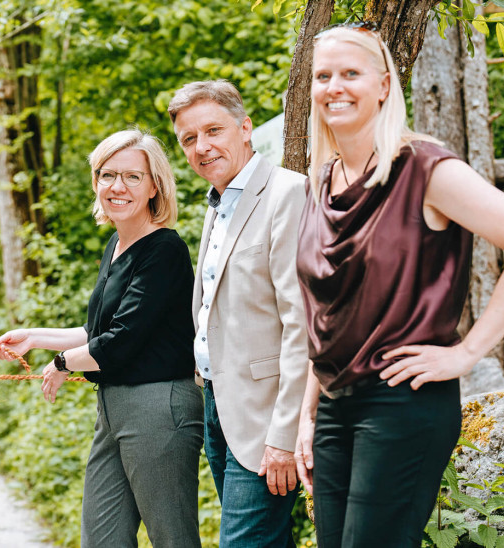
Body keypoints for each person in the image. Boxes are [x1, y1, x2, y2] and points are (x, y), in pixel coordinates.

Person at [293, 23, 504, 547]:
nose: (335, 86)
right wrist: (306, 414)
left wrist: (467, 353)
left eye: (351, 73)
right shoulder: (321, 180)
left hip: (402, 403)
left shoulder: (424, 167)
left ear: (385, 84)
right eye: (323, 75)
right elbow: (327, 313)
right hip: (333, 407)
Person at [0, 129, 203, 547]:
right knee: (102, 538)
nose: (117, 187)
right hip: (113, 408)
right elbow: (98, 333)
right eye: (108, 175)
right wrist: (34, 338)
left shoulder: (164, 250)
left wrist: (62, 363)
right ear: (96, 181)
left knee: (172, 538)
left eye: (132, 177)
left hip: (159, 406)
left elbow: (121, 341)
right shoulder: (117, 245)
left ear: (154, 187)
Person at [166, 80, 309, 547]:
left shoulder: (288, 193)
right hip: (217, 408)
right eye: (189, 139)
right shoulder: (217, 204)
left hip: (266, 417)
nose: (202, 147)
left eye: (213, 130)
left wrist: (284, 435)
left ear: (245, 128)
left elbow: (301, 324)